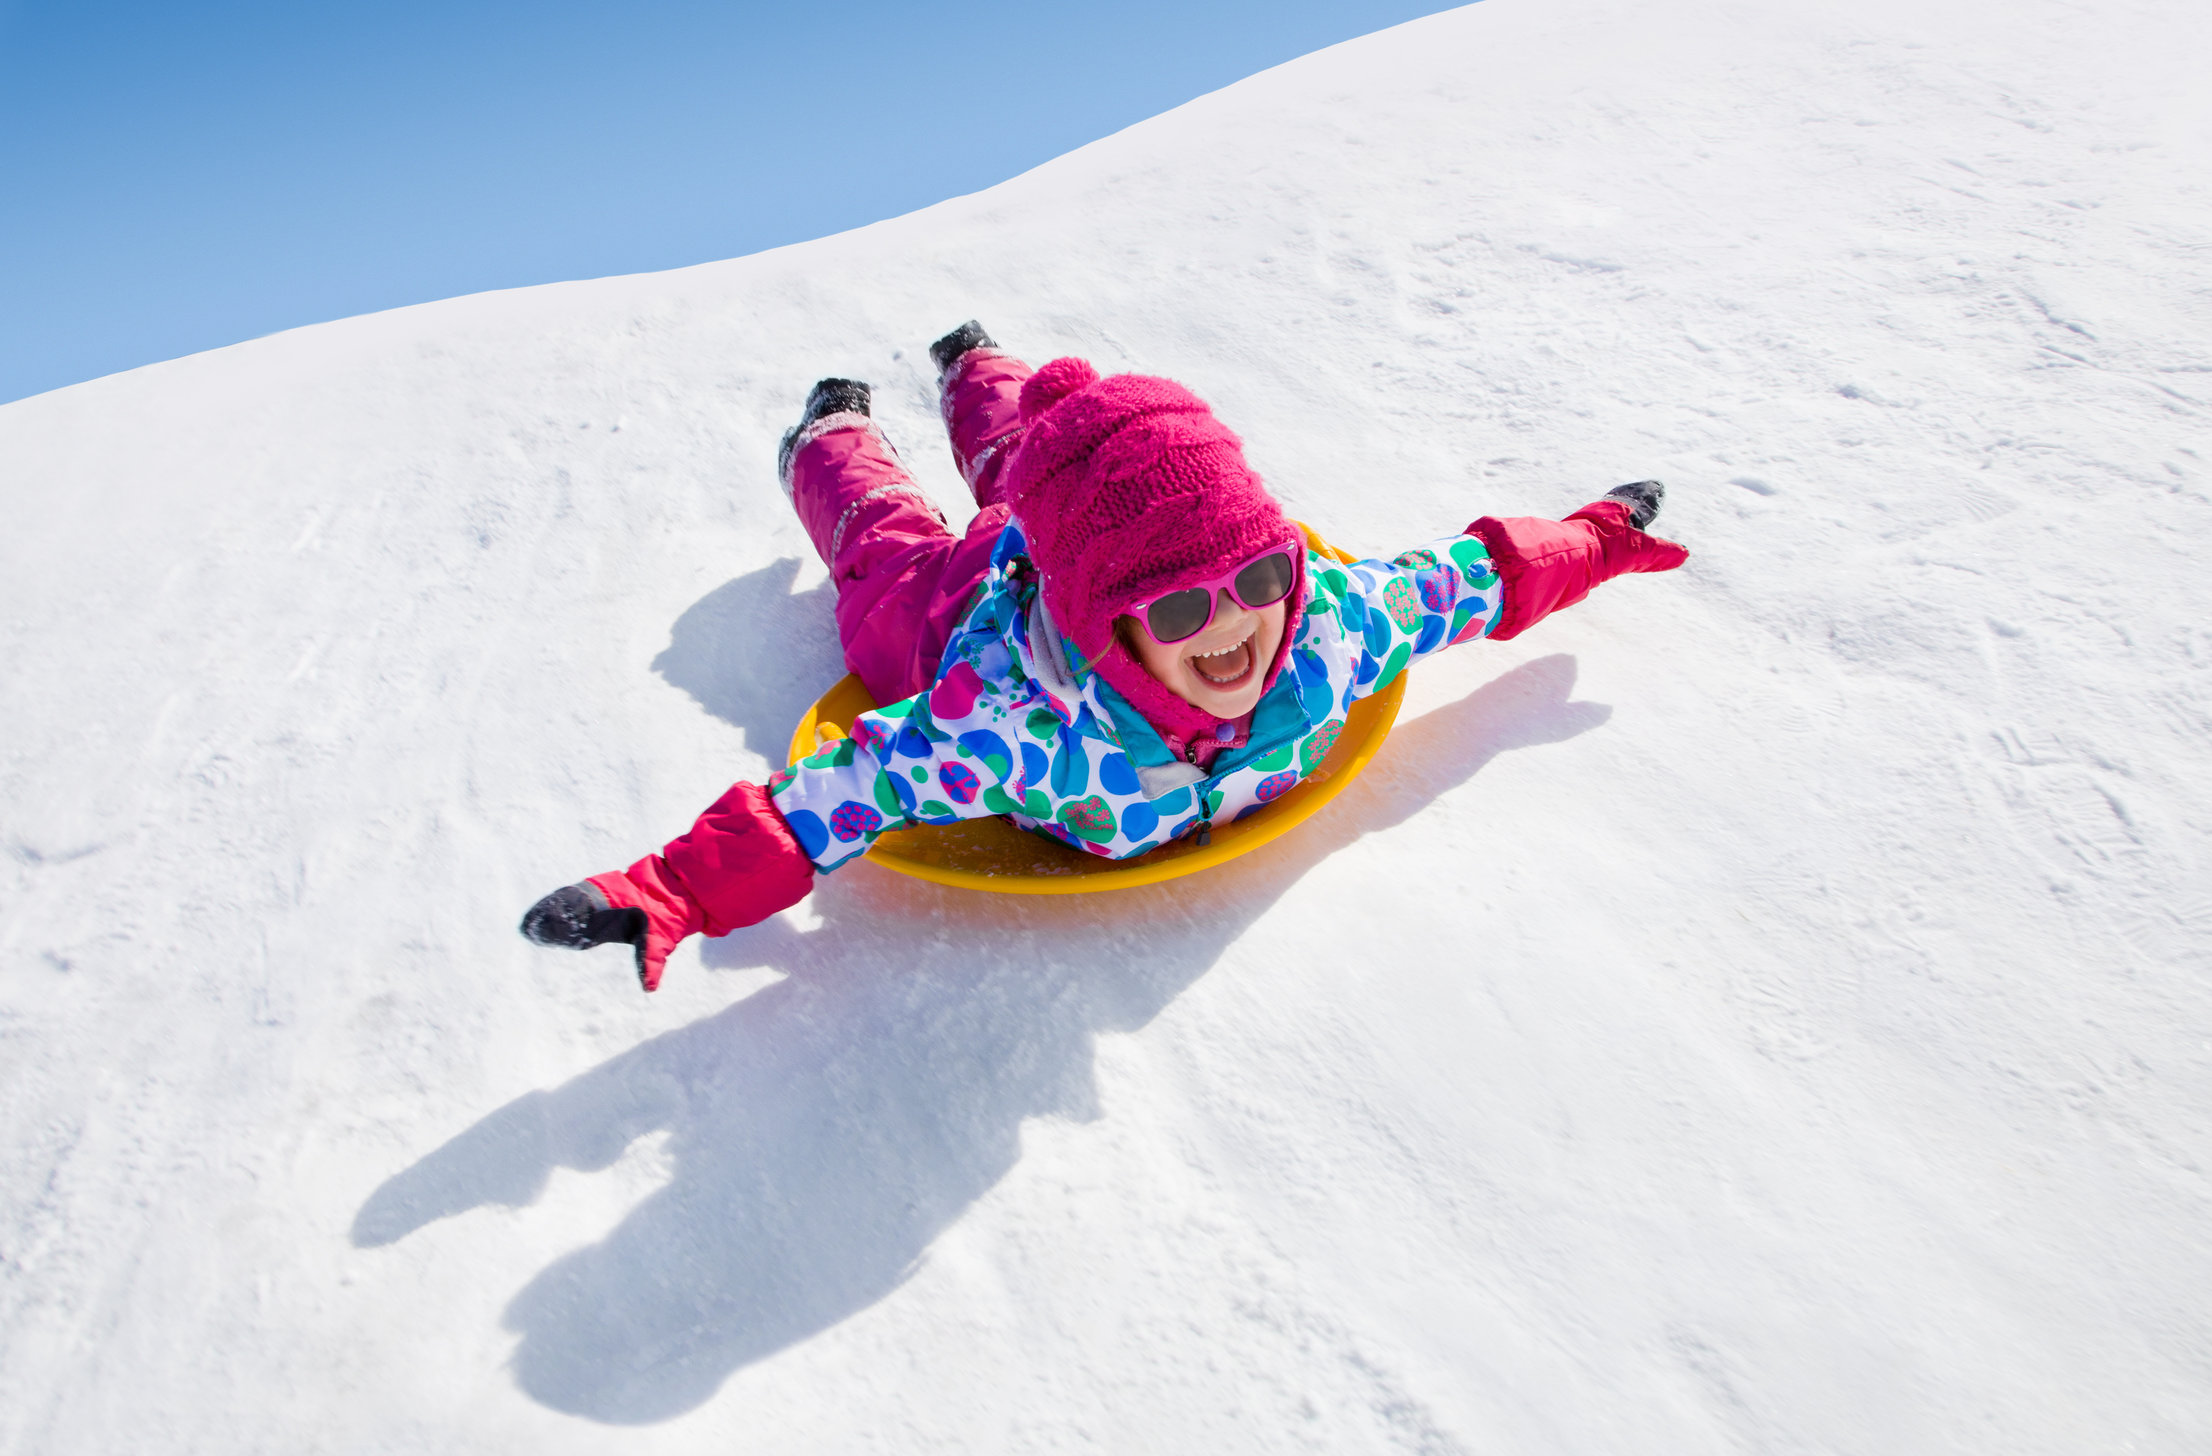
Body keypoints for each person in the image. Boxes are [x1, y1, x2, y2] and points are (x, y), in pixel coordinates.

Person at [521, 322, 1689, 989]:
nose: (1235, 628)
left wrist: (1599, 534)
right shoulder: (1014, 723)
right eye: (1180, 613)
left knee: (1039, 451)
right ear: (1106, 625)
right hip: (951, 611)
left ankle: (975, 365)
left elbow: (1471, 578)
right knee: (886, 545)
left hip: (1068, 548)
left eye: (1259, 579)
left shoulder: (1325, 623)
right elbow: (841, 791)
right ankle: (829, 432)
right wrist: (671, 886)